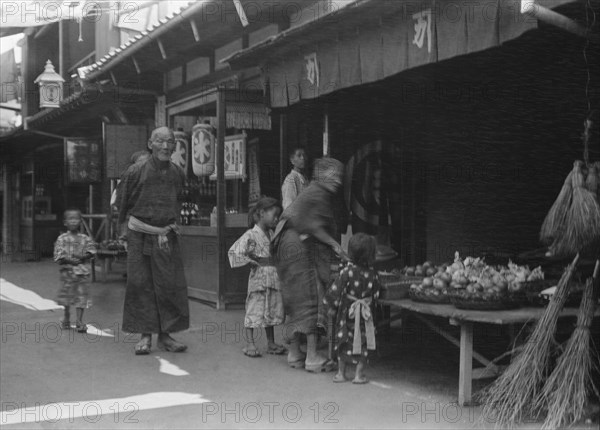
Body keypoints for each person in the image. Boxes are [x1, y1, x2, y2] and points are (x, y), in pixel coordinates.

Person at [272, 157, 349, 373]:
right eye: (333, 176)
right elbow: (313, 226)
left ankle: (294, 353)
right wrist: (336, 245)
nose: (338, 182)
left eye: (340, 177)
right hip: (295, 244)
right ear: (321, 176)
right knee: (311, 297)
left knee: (293, 298)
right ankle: (312, 357)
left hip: (284, 243)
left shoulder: (312, 191)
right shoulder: (318, 192)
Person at [117, 127, 189, 355]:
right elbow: (122, 205)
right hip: (139, 235)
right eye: (160, 141)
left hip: (166, 236)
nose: (166, 146)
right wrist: (123, 234)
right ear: (150, 144)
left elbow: (178, 202)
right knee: (141, 284)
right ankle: (145, 335)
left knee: (169, 285)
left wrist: (172, 226)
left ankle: (166, 336)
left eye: (170, 142)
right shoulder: (135, 171)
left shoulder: (178, 173)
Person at [228, 197, 286, 358]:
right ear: (261, 213)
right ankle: (250, 343)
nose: (276, 219)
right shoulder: (252, 236)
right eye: (274, 215)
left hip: (273, 276)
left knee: (270, 308)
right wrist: (249, 261)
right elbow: (235, 252)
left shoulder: (272, 233)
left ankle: (271, 343)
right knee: (254, 308)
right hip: (259, 278)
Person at [324, 233, 381, 384]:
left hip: (347, 313)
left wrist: (331, 307)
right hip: (364, 314)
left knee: (344, 339)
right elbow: (376, 293)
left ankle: (341, 374)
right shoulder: (373, 274)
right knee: (363, 341)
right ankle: (359, 375)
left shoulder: (346, 272)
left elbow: (335, 290)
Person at [54, 209, 97, 333]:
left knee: (81, 296)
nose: (73, 221)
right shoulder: (62, 238)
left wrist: (84, 257)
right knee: (67, 297)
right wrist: (70, 260)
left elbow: (92, 251)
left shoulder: (85, 238)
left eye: (76, 219)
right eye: (70, 219)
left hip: (82, 273)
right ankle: (66, 315)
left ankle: (79, 321)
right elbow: (58, 256)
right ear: (65, 222)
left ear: (80, 222)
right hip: (67, 273)